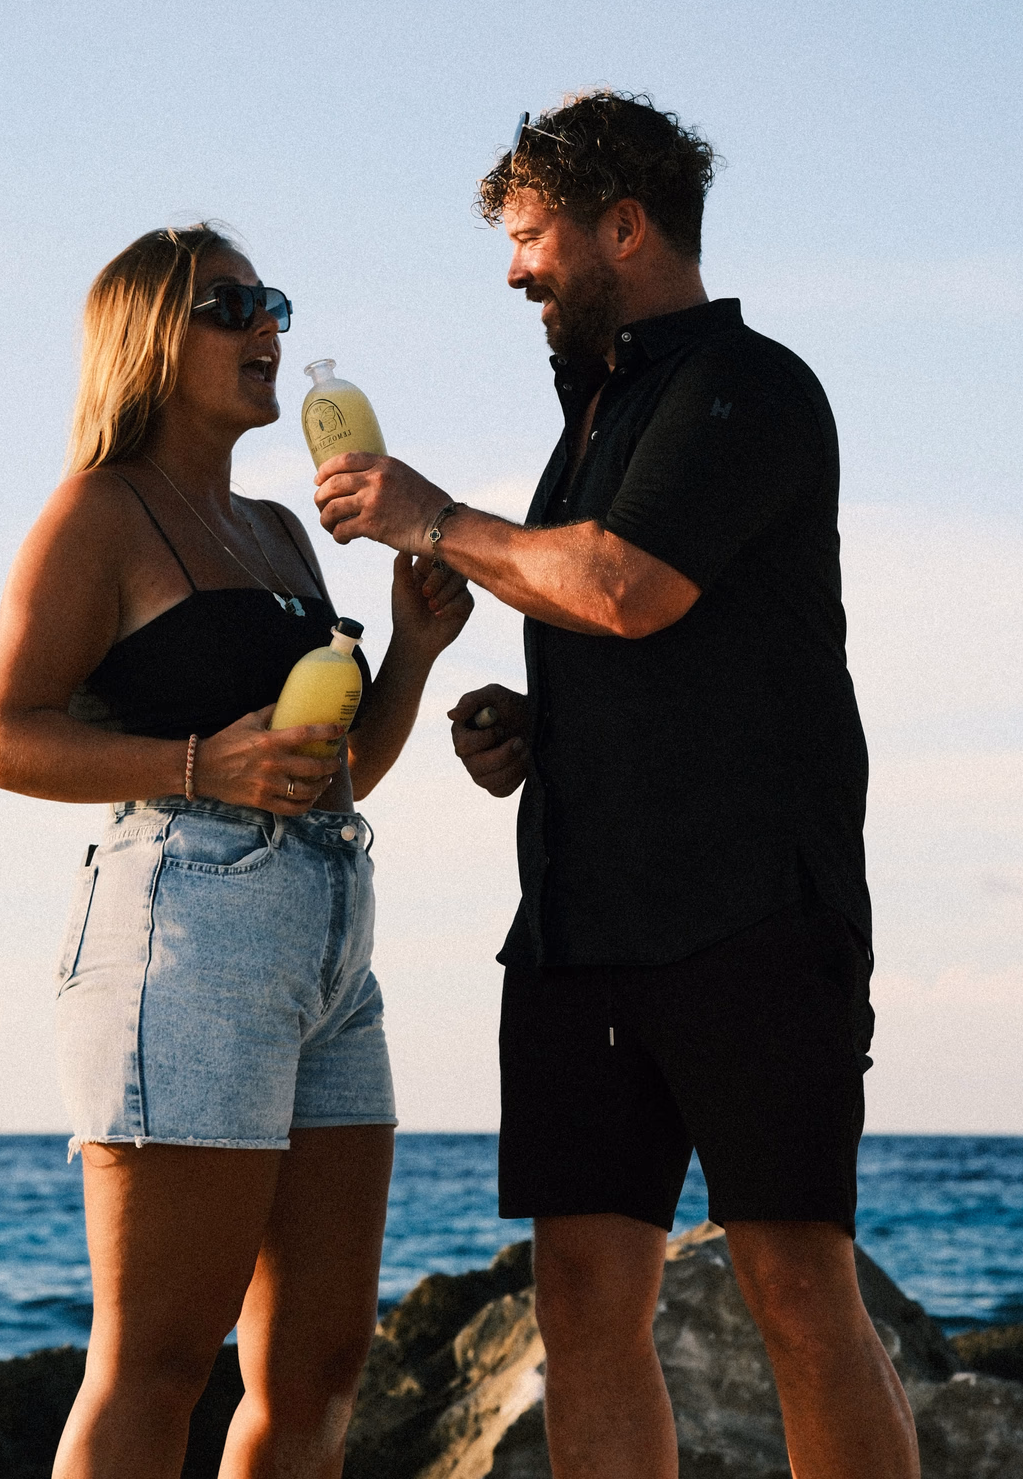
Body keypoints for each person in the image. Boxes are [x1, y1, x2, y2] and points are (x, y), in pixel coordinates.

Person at [312, 94, 920, 1479]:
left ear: (624, 227)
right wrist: (544, 728)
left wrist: (432, 519)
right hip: (581, 927)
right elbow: (648, 640)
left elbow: (627, 586)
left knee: (796, 1291)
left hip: (754, 915)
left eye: (531, 237)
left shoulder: (747, 386)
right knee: (582, 1303)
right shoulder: (594, 415)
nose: (514, 271)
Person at [0, 223, 471, 1479]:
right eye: (231, 306)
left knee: (318, 1368)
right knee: (156, 1362)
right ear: (147, 338)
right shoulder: (99, 512)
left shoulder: (282, 532)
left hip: (330, 942)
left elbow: (333, 775)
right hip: (184, 935)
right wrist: (201, 764)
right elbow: (0, 738)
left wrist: (412, 651)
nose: (268, 330)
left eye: (273, 304)